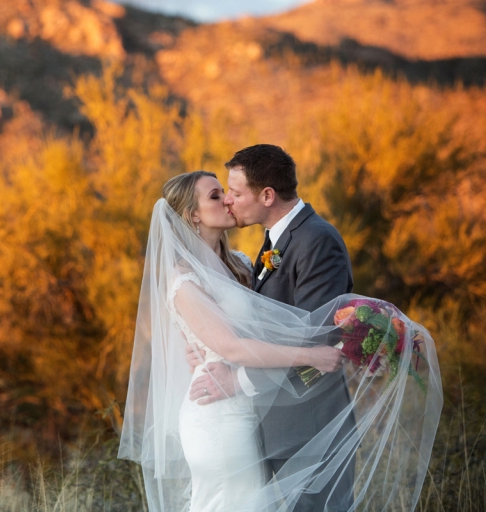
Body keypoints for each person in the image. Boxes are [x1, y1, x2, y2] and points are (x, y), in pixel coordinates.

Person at [118, 161, 442, 511]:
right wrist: (309, 355)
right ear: (192, 215)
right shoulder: (184, 280)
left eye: (229, 192)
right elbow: (229, 345)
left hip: (254, 411)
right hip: (217, 412)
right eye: (217, 195)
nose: (228, 200)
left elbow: (271, 322)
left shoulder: (241, 264)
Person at [187, 144, 356, 510]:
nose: (229, 201)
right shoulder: (274, 242)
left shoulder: (316, 241)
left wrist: (238, 379)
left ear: (267, 195)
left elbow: (318, 341)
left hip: (312, 423)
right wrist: (210, 343)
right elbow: (264, 325)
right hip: (271, 423)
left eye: (235, 192)